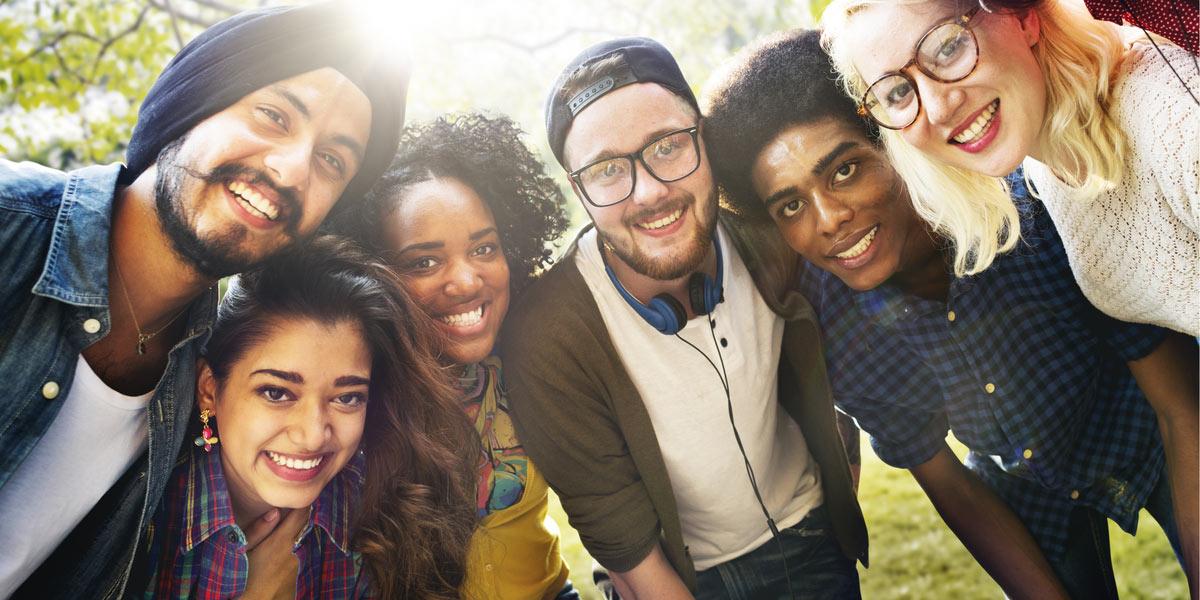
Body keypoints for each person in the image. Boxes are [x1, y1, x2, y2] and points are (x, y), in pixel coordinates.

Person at [702, 28, 1198, 599]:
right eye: (791, 204)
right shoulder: (834, 322)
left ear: (894, 143)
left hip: (1151, 431)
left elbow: (1179, 404)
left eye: (844, 170)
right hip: (1023, 480)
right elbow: (946, 480)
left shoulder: (1029, 210)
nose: (828, 218)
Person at [0, 3, 408, 597]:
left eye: (331, 161)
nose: (293, 170)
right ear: (190, 105)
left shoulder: (198, 378)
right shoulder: (10, 229)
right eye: (273, 115)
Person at [497, 37, 868, 599]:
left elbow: (837, 380)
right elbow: (611, 520)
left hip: (813, 541)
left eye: (668, 146)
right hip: (674, 579)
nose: (648, 191)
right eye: (605, 171)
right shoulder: (549, 333)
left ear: (705, 138)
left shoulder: (771, 232)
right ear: (578, 189)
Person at [820, 0, 1197, 336]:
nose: (938, 109)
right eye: (898, 93)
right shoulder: (1040, 169)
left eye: (948, 48)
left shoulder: (1175, 123)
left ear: (1022, 17)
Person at [139, 236, 478, 599]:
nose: (314, 435)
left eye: (347, 397)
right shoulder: (138, 524)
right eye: (277, 392)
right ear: (209, 389)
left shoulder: (386, 509)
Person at [341, 112, 576, 599]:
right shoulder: (351, 393)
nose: (467, 281)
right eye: (424, 261)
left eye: (484, 249)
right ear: (373, 271)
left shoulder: (535, 355)